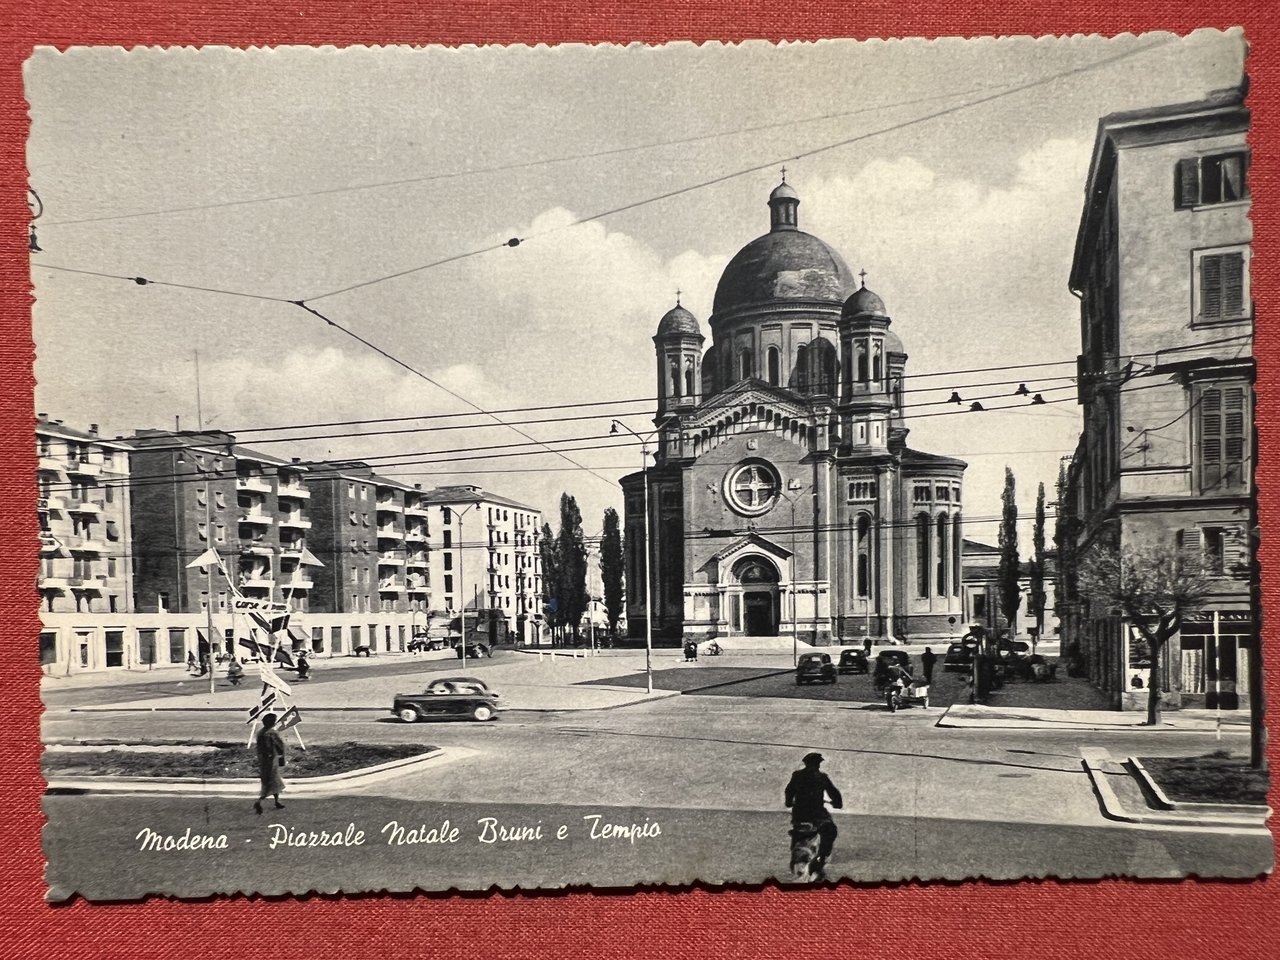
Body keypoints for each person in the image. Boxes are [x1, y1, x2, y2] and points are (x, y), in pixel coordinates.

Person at [253, 712, 287, 815]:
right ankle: (259, 802)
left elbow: (259, 747)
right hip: (272, 760)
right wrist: (282, 758)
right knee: (272, 781)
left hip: (263, 760)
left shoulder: (260, 733)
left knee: (273, 781)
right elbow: (280, 746)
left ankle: (277, 802)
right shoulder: (272, 733)